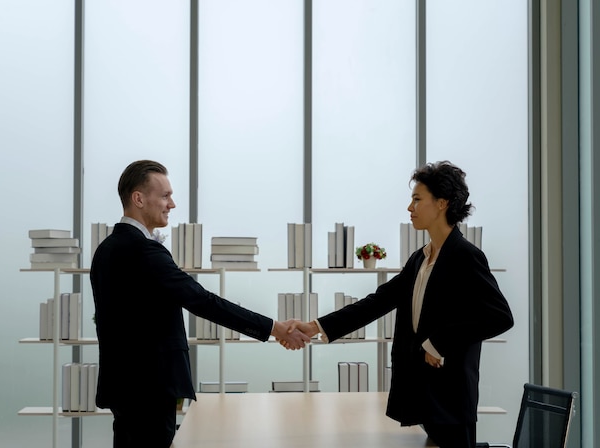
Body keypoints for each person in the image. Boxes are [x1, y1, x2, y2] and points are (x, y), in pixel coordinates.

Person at [286, 161, 514, 448]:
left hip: (452, 401)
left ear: (442, 203)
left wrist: (438, 343)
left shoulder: (466, 256)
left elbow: (500, 316)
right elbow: (377, 302)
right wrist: (315, 326)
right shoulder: (421, 259)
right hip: (424, 395)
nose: (410, 207)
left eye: (417, 199)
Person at [90, 160, 310, 448]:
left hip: (124, 385)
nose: (173, 204)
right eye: (165, 195)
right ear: (139, 199)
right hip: (150, 387)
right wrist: (275, 328)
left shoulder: (106, 250)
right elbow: (202, 301)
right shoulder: (143, 249)